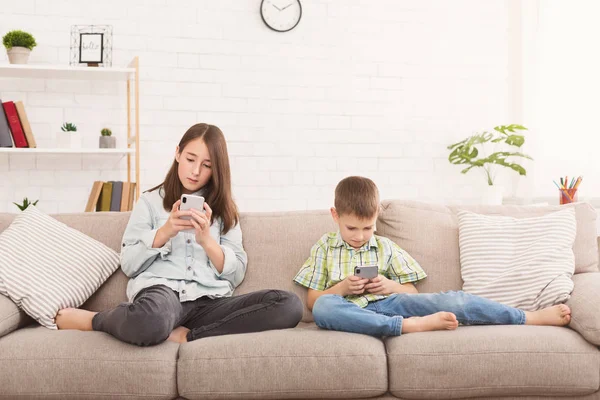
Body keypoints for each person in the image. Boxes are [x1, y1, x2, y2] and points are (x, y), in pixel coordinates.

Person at [56, 123, 303, 346]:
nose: (195, 171)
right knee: (149, 320)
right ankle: (95, 320)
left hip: (211, 300)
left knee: (288, 305)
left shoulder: (225, 211)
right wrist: (165, 232)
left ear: (216, 169)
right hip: (164, 296)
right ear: (177, 154)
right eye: (190, 159)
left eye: (206, 165)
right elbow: (129, 264)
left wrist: (207, 241)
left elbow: (236, 273)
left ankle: (188, 335)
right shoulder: (150, 202)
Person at [293, 176, 571, 336]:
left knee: (453, 300)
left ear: (376, 217)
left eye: (368, 228)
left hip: (391, 302)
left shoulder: (385, 246)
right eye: (351, 228)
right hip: (352, 311)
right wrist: (343, 288)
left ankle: (527, 317)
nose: (359, 235)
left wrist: (389, 285)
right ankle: (407, 327)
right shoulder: (324, 248)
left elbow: (412, 291)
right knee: (324, 309)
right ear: (335, 216)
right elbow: (313, 301)